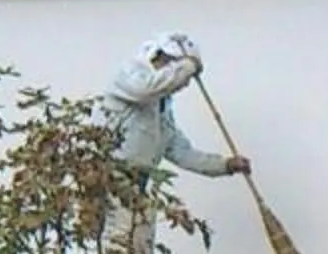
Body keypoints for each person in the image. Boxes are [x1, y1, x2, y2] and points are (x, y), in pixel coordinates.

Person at [99, 33, 250, 182]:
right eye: (183, 76)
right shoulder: (130, 76)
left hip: (136, 181)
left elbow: (181, 152)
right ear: (161, 58)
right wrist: (187, 66)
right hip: (107, 175)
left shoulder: (161, 110)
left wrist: (225, 165)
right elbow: (145, 90)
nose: (184, 83)